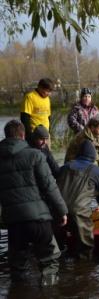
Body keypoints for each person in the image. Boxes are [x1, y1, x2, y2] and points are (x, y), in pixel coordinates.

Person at [0, 120, 67, 286]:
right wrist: (62, 211)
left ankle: (19, 293)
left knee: (18, 266)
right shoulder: (35, 155)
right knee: (49, 261)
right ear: (23, 135)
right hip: (38, 218)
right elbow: (49, 186)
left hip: (14, 222)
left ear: (6, 136)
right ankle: (49, 291)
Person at [57, 140, 99, 259]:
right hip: (79, 214)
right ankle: (84, 275)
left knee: (58, 251)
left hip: (57, 212)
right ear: (93, 156)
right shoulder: (97, 171)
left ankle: (61, 274)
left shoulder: (64, 167)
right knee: (85, 252)